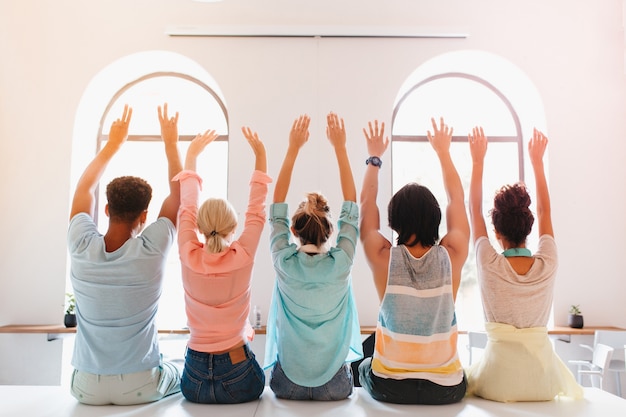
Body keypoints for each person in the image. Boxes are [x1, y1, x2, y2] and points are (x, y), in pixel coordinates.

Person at [67, 104, 183, 405]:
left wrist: (112, 145)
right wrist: (171, 143)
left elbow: (84, 189)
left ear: (106, 210)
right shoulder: (152, 249)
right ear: (145, 216)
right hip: (139, 383)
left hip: (85, 387)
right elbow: (179, 195)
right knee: (182, 369)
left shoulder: (81, 245)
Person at [466, 127, 583, 402]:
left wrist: (477, 161)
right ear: (529, 227)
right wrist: (538, 162)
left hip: (496, 382)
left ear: (496, 231)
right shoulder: (548, 262)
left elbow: (473, 208)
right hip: (542, 381)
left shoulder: (488, 261)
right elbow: (545, 211)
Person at [358, 117, 469, 405]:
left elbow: (367, 208)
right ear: (436, 217)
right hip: (445, 389)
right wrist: (443, 152)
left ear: (394, 221)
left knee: (360, 361)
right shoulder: (452, 254)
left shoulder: (384, 258)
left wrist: (374, 159)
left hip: (390, 387)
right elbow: (457, 200)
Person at [264, 113, 363, 401]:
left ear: (292, 230)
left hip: (286, 385)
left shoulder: (284, 261)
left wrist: (293, 148)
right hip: (335, 386)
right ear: (331, 232)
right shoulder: (341, 263)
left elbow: (276, 207)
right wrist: (341, 148)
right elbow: (352, 206)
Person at [172, 126, 271, 404]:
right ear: (233, 227)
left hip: (193, 381)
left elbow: (187, 208)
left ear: (200, 227)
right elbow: (256, 210)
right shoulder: (243, 256)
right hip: (239, 377)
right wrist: (260, 155)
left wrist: (191, 157)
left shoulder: (187, 253)